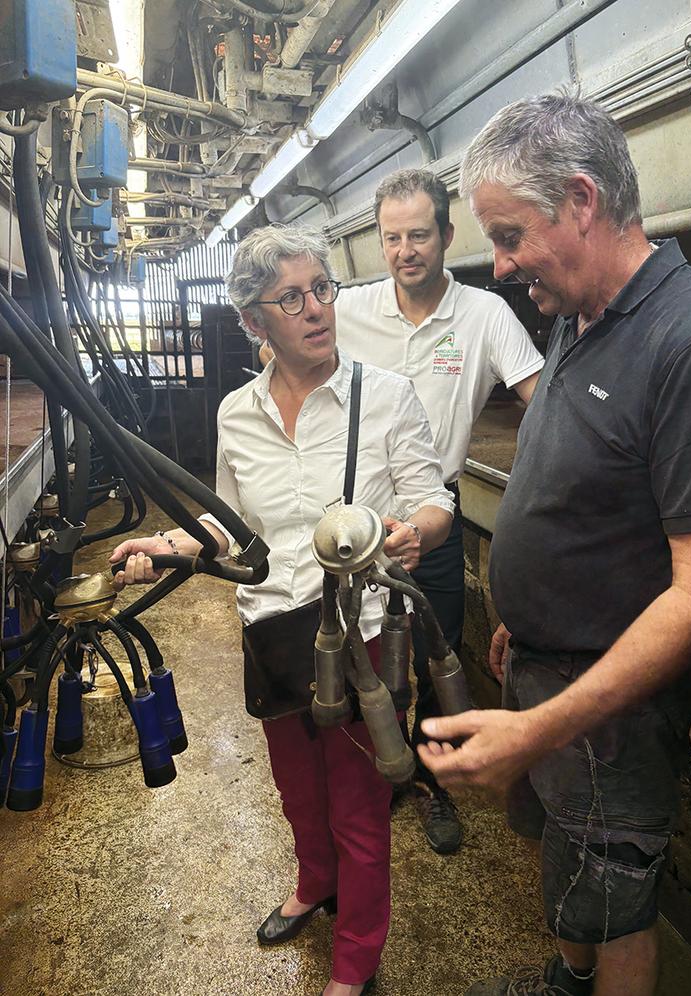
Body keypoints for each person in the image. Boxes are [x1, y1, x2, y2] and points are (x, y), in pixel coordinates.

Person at [417, 94, 691, 996]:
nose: (501, 261)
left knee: (619, 891)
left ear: (581, 200)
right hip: (541, 658)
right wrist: (524, 622)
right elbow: (576, 479)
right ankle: (567, 978)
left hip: (612, 706)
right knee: (569, 852)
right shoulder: (578, 312)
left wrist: (535, 726)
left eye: (511, 233)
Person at [110, 224, 454, 996]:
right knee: (297, 789)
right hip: (270, 629)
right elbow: (228, 526)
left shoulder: (385, 396)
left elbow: (435, 499)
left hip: (358, 635)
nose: (315, 308)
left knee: (361, 806)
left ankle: (355, 960)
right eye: (291, 297)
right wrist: (164, 546)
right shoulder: (236, 414)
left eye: (322, 288)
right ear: (254, 321)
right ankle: (313, 884)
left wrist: (413, 531)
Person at [334, 169, 544, 855]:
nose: (404, 251)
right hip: (355, 520)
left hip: (433, 519)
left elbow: (543, 402)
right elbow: (286, 368)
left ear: (447, 236)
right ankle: (370, 777)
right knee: (353, 656)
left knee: (434, 653)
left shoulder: (483, 316)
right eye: (391, 238)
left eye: (418, 234)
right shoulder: (349, 311)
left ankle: (428, 782)